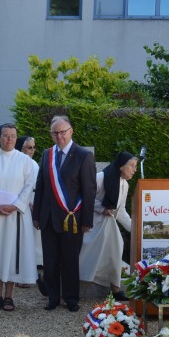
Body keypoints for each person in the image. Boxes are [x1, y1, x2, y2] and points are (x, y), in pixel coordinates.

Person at [33, 115, 96, 312]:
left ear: (71, 131)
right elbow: (40, 186)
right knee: (50, 260)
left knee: (69, 260)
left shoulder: (83, 156)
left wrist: (87, 219)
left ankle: (70, 298)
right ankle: (52, 297)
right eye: (55, 133)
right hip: (49, 218)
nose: (59, 136)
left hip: (72, 219)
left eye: (63, 132)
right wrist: (36, 215)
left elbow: (89, 190)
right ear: (51, 135)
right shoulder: (47, 154)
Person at [0, 124, 38, 311]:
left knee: (12, 252)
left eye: (13, 136)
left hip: (16, 214)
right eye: (5, 136)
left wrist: (16, 205)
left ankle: (9, 296)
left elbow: (29, 186)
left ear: (16, 138)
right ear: (0, 138)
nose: (9, 139)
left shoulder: (25, 161)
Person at [79, 151, 137, 300]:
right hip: (90, 225)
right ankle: (69, 286)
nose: (134, 170)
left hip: (108, 226)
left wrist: (135, 230)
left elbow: (121, 211)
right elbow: (85, 197)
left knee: (117, 246)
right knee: (83, 257)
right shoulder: (101, 177)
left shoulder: (124, 185)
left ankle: (115, 288)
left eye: (135, 166)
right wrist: (102, 209)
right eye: (131, 165)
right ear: (121, 166)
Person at [16, 135, 41, 290]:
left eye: (33, 147)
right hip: (17, 205)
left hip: (31, 205)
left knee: (29, 242)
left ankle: (28, 275)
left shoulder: (34, 164)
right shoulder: (16, 163)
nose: (32, 150)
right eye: (29, 147)